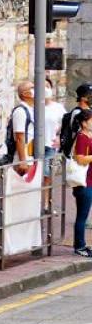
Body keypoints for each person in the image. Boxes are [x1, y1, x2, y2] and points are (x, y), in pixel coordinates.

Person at [68, 108, 92, 257]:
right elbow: (80, 158)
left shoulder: (89, 136)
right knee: (82, 215)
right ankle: (79, 246)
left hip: (89, 180)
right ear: (84, 123)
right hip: (83, 183)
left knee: (84, 214)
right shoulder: (82, 137)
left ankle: (81, 244)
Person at [9, 81, 36, 173]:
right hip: (24, 159)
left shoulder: (31, 109)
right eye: (32, 88)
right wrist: (23, 161)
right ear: (25, 94)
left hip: (31, 156)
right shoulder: (20, 111)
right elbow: (19, 137)